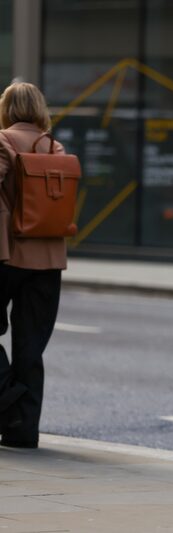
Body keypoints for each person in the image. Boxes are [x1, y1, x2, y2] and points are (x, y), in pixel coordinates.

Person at [0, 82, 68, 449]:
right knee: (30, 348)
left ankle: (6, 405)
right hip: (48, 259)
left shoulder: (2, 141)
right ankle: (22, 432)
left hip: (7, 254)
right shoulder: (54, 147)